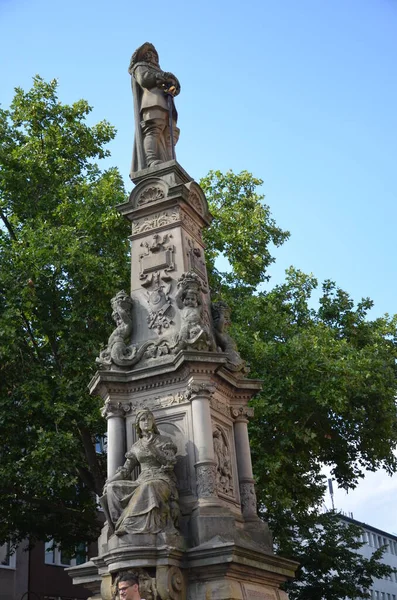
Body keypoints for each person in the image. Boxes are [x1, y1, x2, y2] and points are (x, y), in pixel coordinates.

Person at [103, 409, 179, 535]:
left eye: (149, 419)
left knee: (147, 486)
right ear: (138, 424)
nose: (146, 422)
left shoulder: (164, 440)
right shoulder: (136, 447)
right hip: (141, 480)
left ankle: (129, 524)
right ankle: (119, 523)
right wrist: (109, 482)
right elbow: (126, 470)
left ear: (153, 422)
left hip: (161, 479)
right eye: (143, 419)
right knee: (112, 488)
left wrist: (151, 447)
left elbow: (169, 463)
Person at [128, 42, 180, 175]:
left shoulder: (161, 72)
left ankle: (169, 160)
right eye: (150, 54)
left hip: (167, 106)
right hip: (152, 102)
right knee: (153, 130)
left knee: (170, 135)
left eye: (155, 55)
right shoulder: (140, 67)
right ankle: (152, 160)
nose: (154, 58)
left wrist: (173, 82)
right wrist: (162, 77)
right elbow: (145, 79)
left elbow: (176, 89)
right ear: (144, 56)